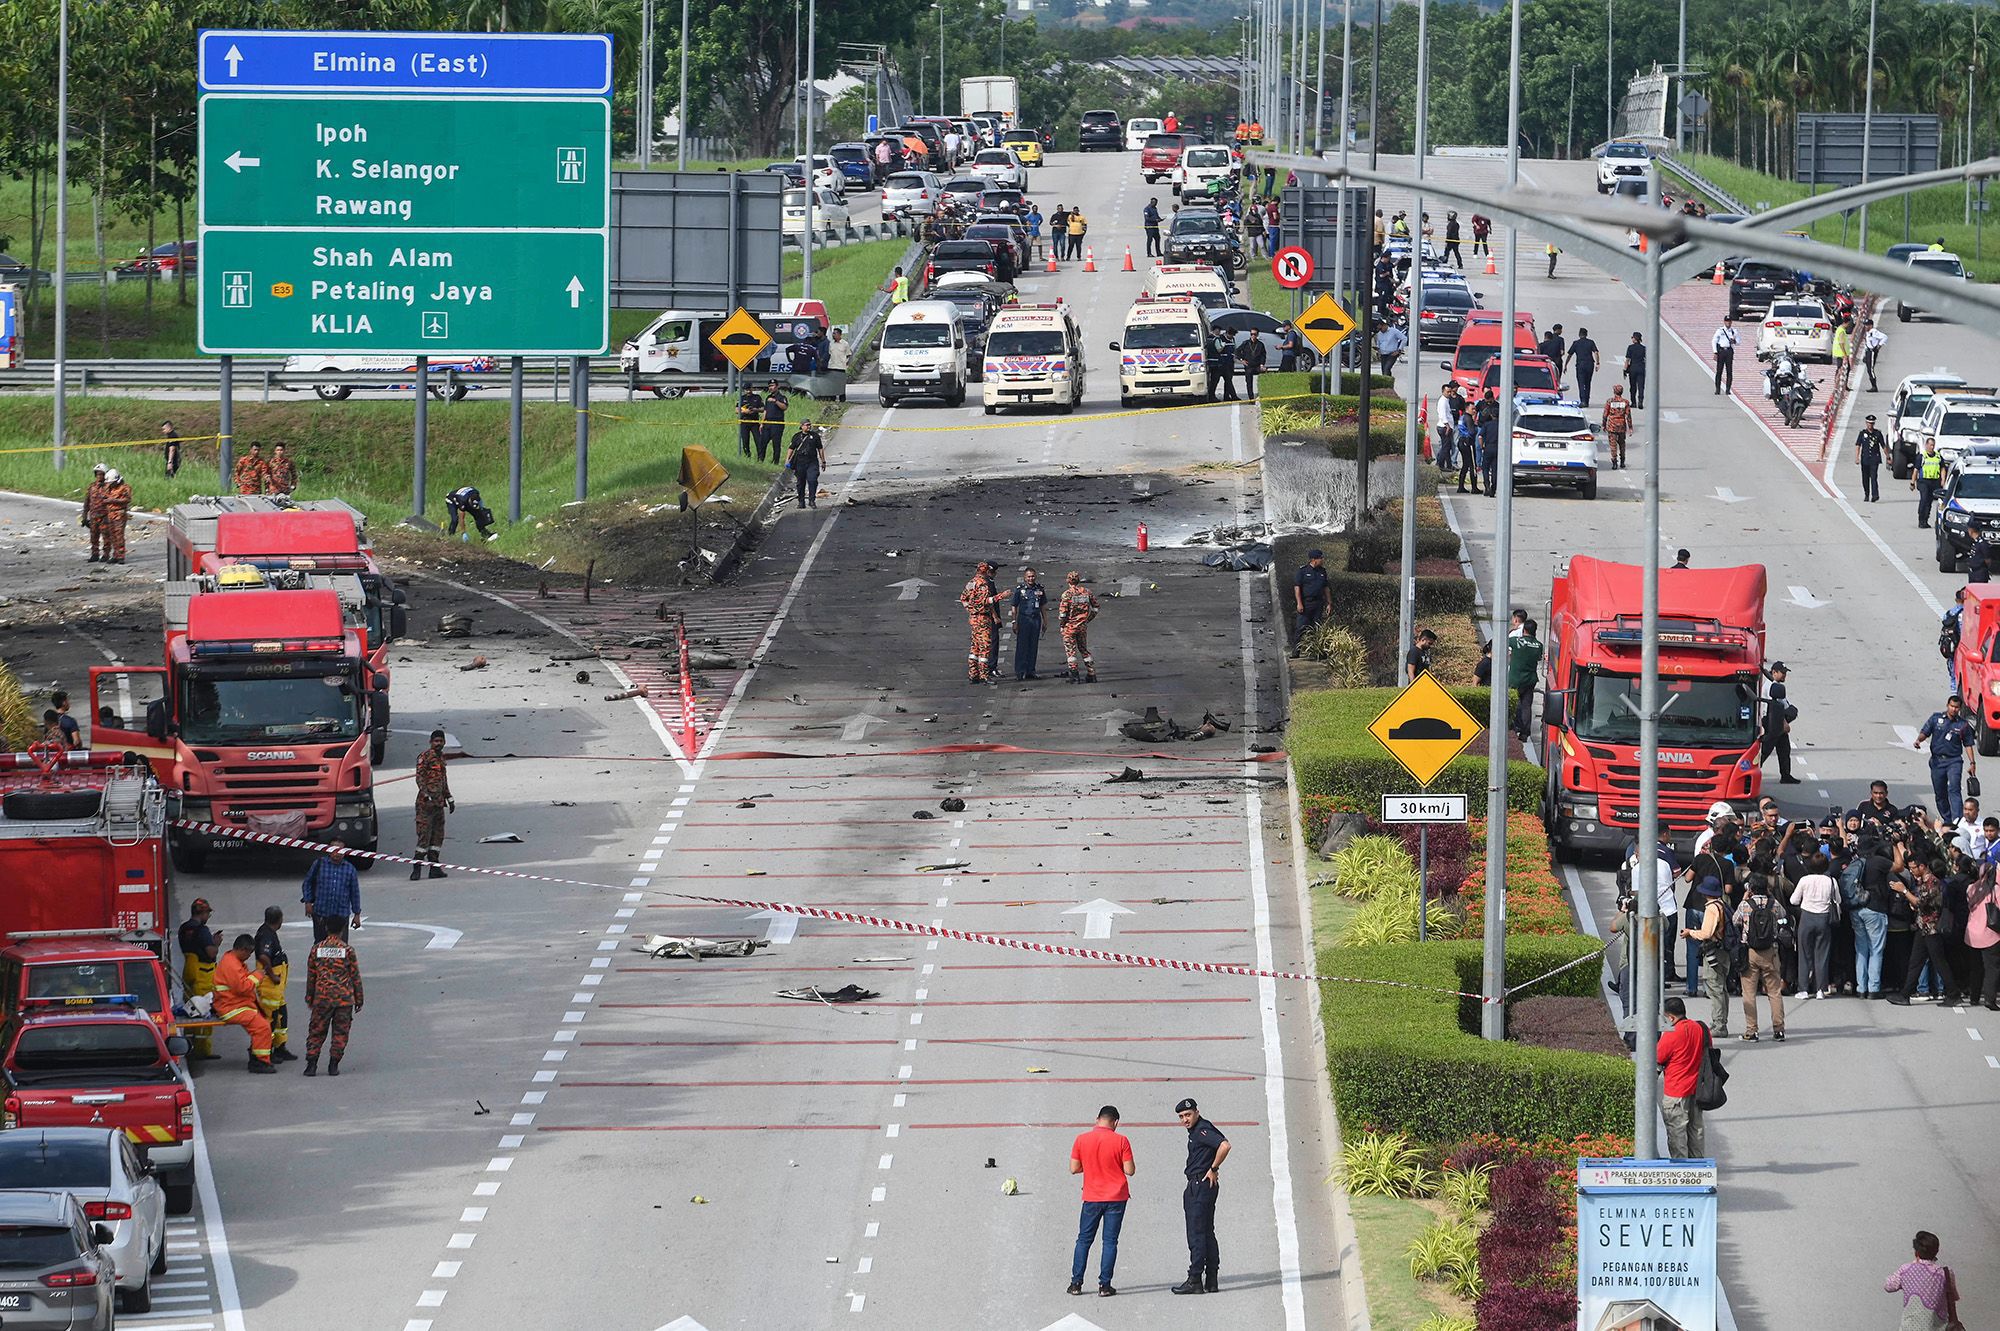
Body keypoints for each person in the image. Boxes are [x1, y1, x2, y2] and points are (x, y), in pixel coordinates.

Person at [1067, 1105, 1134, 1297]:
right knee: (1110, 1241)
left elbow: (1073, 1168)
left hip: (1092, 1197)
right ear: (1116, 1122)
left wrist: (1090, 1166)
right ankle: (1105, 1286)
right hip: (1117, 1197)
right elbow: (1129, 1170)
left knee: (1084, 1240)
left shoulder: (1081, 1139)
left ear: (1097, 1119)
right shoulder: (1121, 1140)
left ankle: (1076, 1283)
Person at [1170, 1097, 1228, 1296]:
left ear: (1196, 1112)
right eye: (1181, 1117)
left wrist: (1213, 1168)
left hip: (1199, 1185)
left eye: (1187, 1115)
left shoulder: (1202, 1130)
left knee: (1196, 1234)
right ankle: (1211, 1278)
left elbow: (1224, 1145)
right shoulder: (1201, 1129)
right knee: (1206, 1232)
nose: (1185, 1119)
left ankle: (1195, 1279)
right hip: (1204, 1185)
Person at [1888, 857, 1963, 1006]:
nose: (1912, 871)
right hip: (1923, 926)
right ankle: (1905, 994)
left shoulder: (1932, 882)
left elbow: (1921, 902)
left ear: (1922, 866)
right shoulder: (1923, 881)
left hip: (1932, 928)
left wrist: (1903, 890)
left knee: (1939, 961)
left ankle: (1954, 993)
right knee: (1915, 962)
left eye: (1914, 868)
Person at [303, 918, 363, 1077]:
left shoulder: (316, 949)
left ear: (326, 928)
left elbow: (311, 976)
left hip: (322, 998)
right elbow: (355, 976)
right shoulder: (348, 950)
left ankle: (311, 1064)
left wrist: (310, 996)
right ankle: (333, 1065)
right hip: (343, 999)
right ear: (342, 930)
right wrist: (359, 998)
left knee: (316, 1030)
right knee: (340, 1032)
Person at [1734, 873, 1790, 1041]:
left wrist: (1744, 899)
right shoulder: (1773, 904)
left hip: (1750, 952)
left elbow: (1735, 920)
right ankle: (1778, 1029)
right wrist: (1771, 896)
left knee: (1749, 993)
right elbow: (1783, 915)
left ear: (1750, 889)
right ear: (1767, 888)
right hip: (1770, 951)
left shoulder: (1746, 905)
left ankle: (1752, 1031)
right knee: (1774, 992)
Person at [213, 934, 277, 1074]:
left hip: (235, 1005)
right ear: (243, 949)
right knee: (262, 1027)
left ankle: (258, 1055)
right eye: (249, 953)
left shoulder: (233, 961)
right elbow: (242, 987)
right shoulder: (232, 965)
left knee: (262, 1024)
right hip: (231, 1007)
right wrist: (257, 975)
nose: (250, 956)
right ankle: (260, 1061)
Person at [1654, 997, 1708, 1158]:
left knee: (1677, 1136)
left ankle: (1682, 1171)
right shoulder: (1699, 1028)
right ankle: (1698, 1170)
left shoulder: (1672, 1034)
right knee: (1696, 1131)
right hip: (1696, 1090)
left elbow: (1657, 1058)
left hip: (1676, 1093)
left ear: (1671, 1017)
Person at [1680, 876, 1733, 1035]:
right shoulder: (1723, 904)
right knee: (1722, 988)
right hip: (1724, 951)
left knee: (1714, 988)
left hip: (1713, 951)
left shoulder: (1711, 908)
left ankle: (1719, 1025)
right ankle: (1721, 1021)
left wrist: (1690, 932)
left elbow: (1706, 933)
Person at [1884, 1231, 1963, 1331]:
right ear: (1936, 1251)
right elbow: (1953, 1297)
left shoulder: (1906, 1270)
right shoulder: (1945, 1273)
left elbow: (1888, 1286)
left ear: (1916, 1252)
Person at [1916, 695, 1977, 822]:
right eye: (1952, 706)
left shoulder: (1963, 725)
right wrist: (1918, 740)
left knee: (1954, 789)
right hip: (1937, 761)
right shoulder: (1936, 719)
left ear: (1959, 709)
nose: (1954, 709)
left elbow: (1968, 744)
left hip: (1954, 761)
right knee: (1940, 793)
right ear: (1947, 705)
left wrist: (1972, 762)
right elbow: (1925, 732)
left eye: (1957, 707)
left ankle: (1957, 821)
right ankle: (1948, 819)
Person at [1789, 853, 1839, 1001]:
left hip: (1807, 917)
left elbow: (1794, 900)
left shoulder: (1805, 880)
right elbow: (1838, 900)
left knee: (1804, 954)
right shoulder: (1831, 881)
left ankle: (1804, 988)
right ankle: (1820, 989)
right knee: (1822, 955)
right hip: (1824, 919)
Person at [253, 906, 297, 1063]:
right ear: (279, 919)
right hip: (269, 985)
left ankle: (280, 1048)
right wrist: (272, 975)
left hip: (276, 989)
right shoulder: (266, 936)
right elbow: (264, 957)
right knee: (269, 1020)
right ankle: (268, 1051)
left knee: (281, 1017)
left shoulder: (268, 932)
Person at [177, 899, 221, 1060]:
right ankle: (202, 1050)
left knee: (190, 1009)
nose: (208, 916)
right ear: (201, 913)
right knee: (203, 1009)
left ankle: (188, 1047)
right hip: (203, 973)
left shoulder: (184, 928)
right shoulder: (202, 930)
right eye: (207, 913)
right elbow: (211, 953)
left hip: (189, 970)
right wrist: (216, 943)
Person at [300, 839, 363, 941]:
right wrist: (308, 902)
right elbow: (307, 883)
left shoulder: (350, 869)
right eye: (334, 850)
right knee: (320, 945)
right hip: (321, 913)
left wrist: (357, 914)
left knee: (341, 947)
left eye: (340, 850)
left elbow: (354, 893)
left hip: (341, 915)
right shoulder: (319, 864)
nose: (337, 853)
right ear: (328, 850)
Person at [413, 729, 453, 880]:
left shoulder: (441, 759)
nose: (438, 744)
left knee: (437, 837)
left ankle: (434, 867)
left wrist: (449, 798)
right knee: (424, 836)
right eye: (436, 741)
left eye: (441, 741)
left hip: (438, 804)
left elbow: (443, 780)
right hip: (425, 805)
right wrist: (425, 794)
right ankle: (416, 868)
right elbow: (419, 777)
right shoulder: (425, 757)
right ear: (430, 742)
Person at [961, 561, 1003, 685]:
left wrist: (971, 610)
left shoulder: (971, 583)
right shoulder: (983, 584)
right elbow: (987, 601)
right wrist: (1001, 596)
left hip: (973, 619)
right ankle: (984, 675)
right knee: (985, 647)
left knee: (975, 647)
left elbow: (963, 598)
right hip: (982, 619)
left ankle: (973, 674)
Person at [1056, 571, 1100, 684]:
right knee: (1084, 650)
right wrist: (1087, 619)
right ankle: (1091, 673)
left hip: (1069, 627)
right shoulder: (1087, 592)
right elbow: (1096, 608)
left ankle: (1074, 676)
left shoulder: (1067, 594)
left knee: (1071, 652)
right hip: (1082, 627)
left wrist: (1062, 625)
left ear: (1068, 581)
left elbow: (1063, 614)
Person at [1760, 660, 1799, 784]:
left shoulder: (1775, 684)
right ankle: (1749, 770)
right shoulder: (1772, 687)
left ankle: (1786, 775)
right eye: (1782, 673)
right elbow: (1775, 708)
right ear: (1774, 672)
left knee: (1784, 749)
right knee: (1766, 749)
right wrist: (1784, 723)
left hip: (1776, 719)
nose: (1784, 675)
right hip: (1773, 720)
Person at [1508, 619, 1543, 740]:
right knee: (1526, 705)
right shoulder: (1539, 645)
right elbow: (1538, 658)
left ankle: (1515, 728)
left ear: (1524, 630)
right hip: (1530, 680)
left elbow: (1506, 643)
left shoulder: (1516, 641)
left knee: (1514, 704)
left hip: (1515, 678)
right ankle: (1525, 733)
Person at [1291, 548, 1331, 654]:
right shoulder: (1303, 571)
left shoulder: (1322, 571)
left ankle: (1317, 651)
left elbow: (1326, 588)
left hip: (1318, 603)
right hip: (1306, 603)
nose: (1322, 560)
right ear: (1313, 560)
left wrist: (1329, 603)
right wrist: (1299, 603)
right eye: (1320, 558)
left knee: (1317, 628)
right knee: (1300, 627)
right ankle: (1296, 651)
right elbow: (1297, 588)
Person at [786, 420, 826, 510]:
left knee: (812, 480)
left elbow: (820, 448)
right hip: (800, 462)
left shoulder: (815, 436)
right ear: (802, 426)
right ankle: (801, 501)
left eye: (809, 425)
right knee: (800, 482)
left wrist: (823, 461)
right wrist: (787, 460)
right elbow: (791, 448)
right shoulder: (796, 436)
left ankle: (812, 500)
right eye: (807, 425)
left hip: (812, 461)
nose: (809, 427)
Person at [98, 469, 131, 565]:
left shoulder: (125, 488)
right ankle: (115, 555)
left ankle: (121, 556)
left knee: (119, 535)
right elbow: (104, 497)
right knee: (112, 536)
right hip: (110, 514)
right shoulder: (109, 488)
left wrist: (112, 500)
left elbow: (127, 499)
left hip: (119, 514)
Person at [82, 463, 109, 562]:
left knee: (106, 537)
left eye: (101, 474)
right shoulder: (92, 487)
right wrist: (84, 516)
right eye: (97, 474)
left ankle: (106, 555)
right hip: (93, 516)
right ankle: (95, 554)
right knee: (94, 536)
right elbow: (87, 502)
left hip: (104, 516)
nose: (99, 476)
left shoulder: (108, 487)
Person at [1856, 415, 1888, 502]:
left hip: (1874, 459)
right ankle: (1866, 494)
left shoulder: (1877, 433)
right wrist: (1857, 457)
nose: (1870, 425)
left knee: (1874, 477)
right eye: (1869, 423)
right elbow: (1858, 445)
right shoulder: (1862, 433)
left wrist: (1888, 456)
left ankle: (1875, 495)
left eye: (1872, 423)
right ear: (1866, 423)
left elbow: (1883, 445)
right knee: (1865, 478)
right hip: (1865, 459)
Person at [1601, 385, 1632, 471]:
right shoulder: (1625, 402)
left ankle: (1614, 461)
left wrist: (1603, 425)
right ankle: (1622, 461)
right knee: (1622, 444)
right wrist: (1630, 427)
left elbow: (1605, 414)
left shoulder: (1610, 401)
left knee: (1613, 445)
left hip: (1612, 426)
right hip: (1621, 426)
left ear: (1614, 391)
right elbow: (1628, 415)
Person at [759, 380, 788, 464]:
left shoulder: (781, 397)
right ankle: (761, 459)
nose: (770, 387)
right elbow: (765, 411)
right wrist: (762, 423)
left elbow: (784, 407)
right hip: (767, 423)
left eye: (772, 385)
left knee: (776, 443)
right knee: (763, 442)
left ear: (777, 386)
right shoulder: (768, 398)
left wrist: (776, 401)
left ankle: (776, 461)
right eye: (769, 386)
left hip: (777, 423)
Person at [1567, 327, 1599, 406]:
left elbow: (1569, 354)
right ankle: (1587, 400)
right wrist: (1597, 363)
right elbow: (1596, 352)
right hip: (1589, 364)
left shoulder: (1576, 343)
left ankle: (1583, 400)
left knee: (1581, 383)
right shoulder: (1591, 342)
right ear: (1586, 334)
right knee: (1588, 382)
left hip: (1580, 364)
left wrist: (1566, 364)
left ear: (1579, 334)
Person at [1917, 437, 1944, 528]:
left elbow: (1942, 468)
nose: (1932, 447)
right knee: (1924, 499)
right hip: (1923, 481)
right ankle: (1921, 519)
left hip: (1934, 482)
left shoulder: (1938, 457)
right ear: (1926, 445)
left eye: (1933, 445)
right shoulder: (1922, 457)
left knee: (1929, 501)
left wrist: (1943, 480)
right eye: (1930, 445)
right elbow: (1916, 470)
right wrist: (1912, 482)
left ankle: (1925, 520)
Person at [1209, 326, 1237, 402]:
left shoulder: (1232, 339)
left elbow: (1234, 350)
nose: (1232, 337)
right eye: (1231, 335)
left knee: (1228, 380)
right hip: (1220, 364)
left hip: (1229, 363)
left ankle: (1228, 396)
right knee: (1215, 381)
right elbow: (1219, 350)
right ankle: (1211, 396)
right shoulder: (1220, 339)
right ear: (1227, 333)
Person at [1238, 328, 1267, 401]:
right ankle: (1251, 398)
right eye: (1252, 334)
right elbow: (1237, 351)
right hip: (1249, 366)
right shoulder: (1245, 343)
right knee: (1249, 382)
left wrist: (1262, 364)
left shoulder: (1260, 344)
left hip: (1257, 365)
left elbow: (1263, 355)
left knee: (1264, 375)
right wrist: (1242, 360)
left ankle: (1262, 394)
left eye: (1255, 334)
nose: (1253, 336)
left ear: (1257, 335)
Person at [735, 383, 764, 456]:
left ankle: (760, 457)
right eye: (746, 389)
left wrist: (755, 410)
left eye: (749, 389)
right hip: (744, 421)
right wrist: (744, 411)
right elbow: (736, 410)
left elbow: (763, 409)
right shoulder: (741, 398)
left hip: (754, 422)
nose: (748, 391)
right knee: (745, 440)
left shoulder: (757, 397)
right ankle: (747, 455)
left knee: (758, 440)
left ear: (752, 388)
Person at [1712, 319, 1738, 394]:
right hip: (1721, 351)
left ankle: (1728, 389)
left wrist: (1734, 341)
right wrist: (1715, 352)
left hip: (1729, 351)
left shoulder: (1734, 331)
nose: (1728, 323)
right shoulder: (1720, 330)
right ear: (1724, 322)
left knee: (1729, 371)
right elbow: (1714, 341)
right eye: (1727, 321)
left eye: (1729, 321)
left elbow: (1739, 341)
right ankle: (1717, 389)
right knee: (1719, 371)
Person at [1623, 332, 1648, 409]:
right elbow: (1646, 359)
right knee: (1641, 386)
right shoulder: (1643, 348)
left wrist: (1624, 369)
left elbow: (1627, 359)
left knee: (1633, 386)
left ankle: (1633, 402)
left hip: (1633, 368)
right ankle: (1640, 401)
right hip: (1641, 368)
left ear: (1635, 339)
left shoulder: (1630, 347)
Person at [1862, 319, 1887, 392]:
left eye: (1867, 325)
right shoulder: (1868, 333)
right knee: (1868, 369)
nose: (1865, 326)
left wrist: (1879, 346)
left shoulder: (1874, 332)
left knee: (1870, 369)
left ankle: (1874, 386)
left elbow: (1884, 337)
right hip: (1868, 351)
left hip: (1872, 351)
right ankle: (1873, 386)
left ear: (1870, 325)